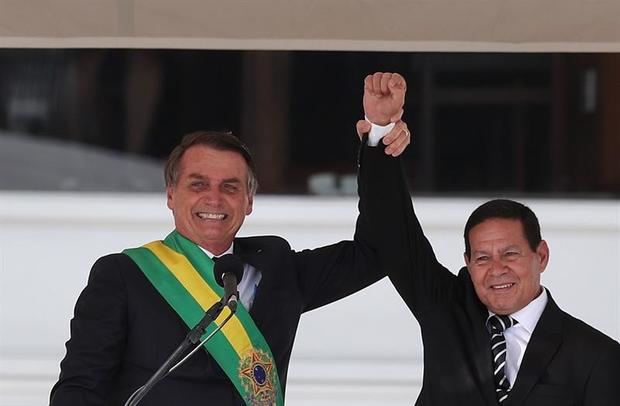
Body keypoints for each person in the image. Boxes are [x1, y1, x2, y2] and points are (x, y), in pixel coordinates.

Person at [49, 72, 412, 406]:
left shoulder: (279, 268)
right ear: (171, 195)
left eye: (230, 187)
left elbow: (377, 252)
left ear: (249, 201)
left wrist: (380, 136)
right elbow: (78, 391)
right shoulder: (123, 276)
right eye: (198, 184)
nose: (214, 198)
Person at [361, 123, 620, 404]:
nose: (497, 270)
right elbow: (396, 231)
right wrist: (380, 132)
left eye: (510, 254)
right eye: (483, 258)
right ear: (468, 264)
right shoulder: (447, 311)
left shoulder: (596, 356)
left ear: (541, 256)